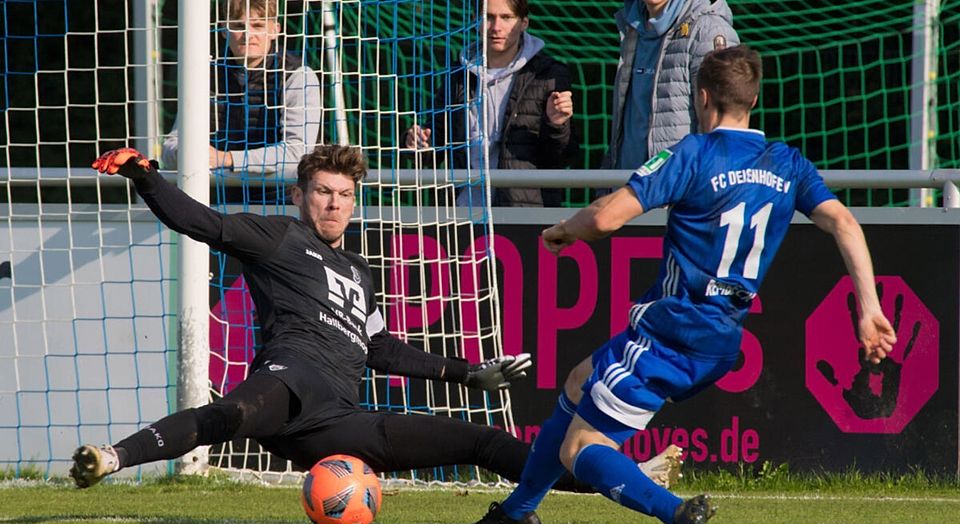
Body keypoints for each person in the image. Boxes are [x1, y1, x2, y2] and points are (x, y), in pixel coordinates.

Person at [469, 45, 897, 524]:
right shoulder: (786, 162)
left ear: (703, 97)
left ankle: (674, 512)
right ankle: (519, 508)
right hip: (722, 339)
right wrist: (868, 310)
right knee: (578, 380)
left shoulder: (694, 153)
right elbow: (843, 222)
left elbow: (607, 218)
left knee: (579, 449)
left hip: (671, 329)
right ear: (752, 101)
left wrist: (566, 229)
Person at [73, 144, 680, 491]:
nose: (333, 203)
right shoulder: (278, 237)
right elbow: (197, 222)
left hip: (335, 419)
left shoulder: (362, 271)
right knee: (236, 412)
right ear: (299, 196)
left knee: (481, 441)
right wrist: (145, 176)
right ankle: (113, 457)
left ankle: (627, 478)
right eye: (321, 191)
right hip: (289, 380)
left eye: (343, 194)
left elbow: (383, 350)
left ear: (354, 202)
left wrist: (469, 375)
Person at [403, 0, 578, 207]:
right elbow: (433, 147)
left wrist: (557, 125)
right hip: (464, 213)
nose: (496, 27)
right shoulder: (457, 76)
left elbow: (564, 156)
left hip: (525, 214)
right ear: (474, 21)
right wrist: (417, 142)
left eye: (506, 17)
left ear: (524, 23)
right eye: (488, 17)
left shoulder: (549, 75)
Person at [161, 0, 320, 179]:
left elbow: (296, 153)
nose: (248, 34)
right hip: (215, 195)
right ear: (223, 29)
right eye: (238, 26)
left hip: (282, 199)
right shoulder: (205, 76)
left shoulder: (297, 75)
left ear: (275, 30)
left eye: (258, 25)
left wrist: (228, 159)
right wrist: (186, 154)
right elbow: (170, 145)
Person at [603, 0, 739, 172]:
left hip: (678, 192)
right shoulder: (631, 26)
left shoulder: (709, 31)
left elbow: (722, 133)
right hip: (629, 187)